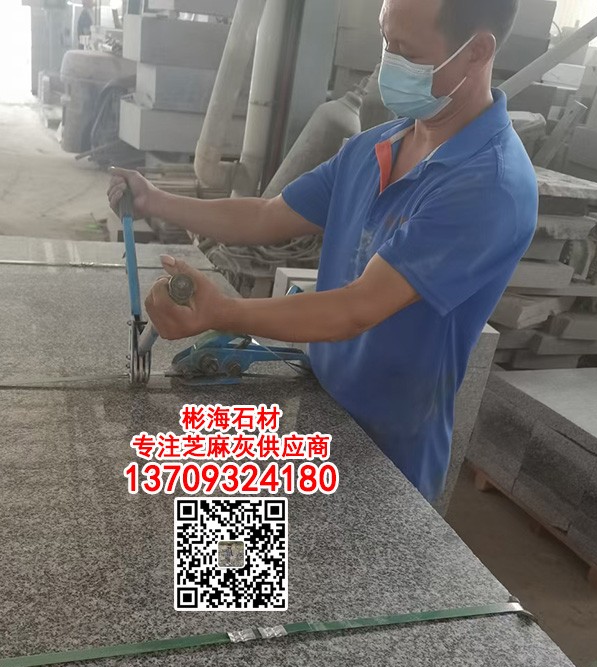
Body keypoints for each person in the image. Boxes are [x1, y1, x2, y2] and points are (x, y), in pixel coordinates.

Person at [108, 0, 538, 503]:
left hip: (387, 451)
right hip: (317, 404)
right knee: (256, 547)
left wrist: (220, 311)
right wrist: (155, 201)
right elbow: (267, 216)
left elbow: (358, 308)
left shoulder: (489, 186)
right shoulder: (376, 146)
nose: (388, 64)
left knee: (349, 556)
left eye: (407, 51)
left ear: (477, 51)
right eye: (386, 42)